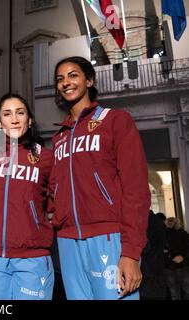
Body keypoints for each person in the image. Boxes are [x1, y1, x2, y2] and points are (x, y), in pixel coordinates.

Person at [49, 56, 150, 300]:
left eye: (73, 75)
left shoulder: (115, 120)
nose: (66, 82)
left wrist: (131, 252)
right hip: (68, 241)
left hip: (108, 237)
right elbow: (55, 187)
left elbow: (136, 188)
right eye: (60, 79)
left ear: (90, 80)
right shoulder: (58, 137)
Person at [0, 93, 55, 300]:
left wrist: (39, 226)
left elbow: (55, 200)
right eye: (7, 114)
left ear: (29, 119)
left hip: (32, 258)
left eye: (20, 113)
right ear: (0, 123)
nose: (15, 119)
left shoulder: (45, 157)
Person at [139, 210, 167, 300]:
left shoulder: (145, 222)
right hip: (158, 275)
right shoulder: (158, 222)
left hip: (147, 277)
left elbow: (145, 248)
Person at [163, 217, 189, 300]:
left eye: (172, 221)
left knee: (182, 292)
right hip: (170, 268)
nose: (170, 223)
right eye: (169, 221)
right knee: (176, 293)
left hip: (181, 267)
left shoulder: (182, 233)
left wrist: (183, 256)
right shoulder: (164, 234)